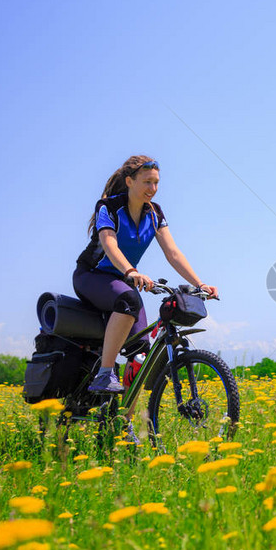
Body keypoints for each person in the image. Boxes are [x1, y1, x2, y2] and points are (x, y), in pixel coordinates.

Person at [74, 155, 218, 393]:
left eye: (156, 183)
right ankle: (104, 374)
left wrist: (200, 284)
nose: (153, 189)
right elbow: (109, 244)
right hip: (91, 275)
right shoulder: (109, 207)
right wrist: (131, 271)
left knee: (141, 352)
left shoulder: (155, 214)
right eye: (147, 182)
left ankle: (125, 421)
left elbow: (172, 253)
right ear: (130, 181)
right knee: (129, 299)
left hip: (122, 281)